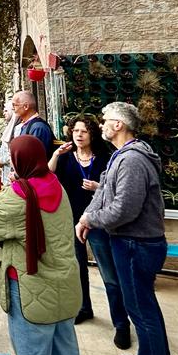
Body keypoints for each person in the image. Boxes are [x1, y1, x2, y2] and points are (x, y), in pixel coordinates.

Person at [76, 102, 175, 355]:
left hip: (137, 243)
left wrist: (91, 219)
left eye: (106, 120)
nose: (102, 124)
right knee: (144, 308)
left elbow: (124, 208)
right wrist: (86, 216)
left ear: (119, 125)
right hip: (130, 242)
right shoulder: (121, 156)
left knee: (141, 311)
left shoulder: (132, 160)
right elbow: (104, 191)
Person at [0, 136, 85, 355]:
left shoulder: (20, 194)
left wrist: (11, 186)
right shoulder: (55, 185)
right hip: (65, 289)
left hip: (31, 293)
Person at [49, 115, 128, 343]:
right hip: (72, 220)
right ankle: (84, 308)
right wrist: (55, 154)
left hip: (97, 221)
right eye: (75, 131)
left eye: (84, 131)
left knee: (108, 273)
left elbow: (116, 189)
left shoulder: (105, 158)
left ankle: (121, 323)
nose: (79, 135)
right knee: (77, 268)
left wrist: (98, 187)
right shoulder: (65, 158)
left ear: (92, 134)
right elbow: (48, 174)